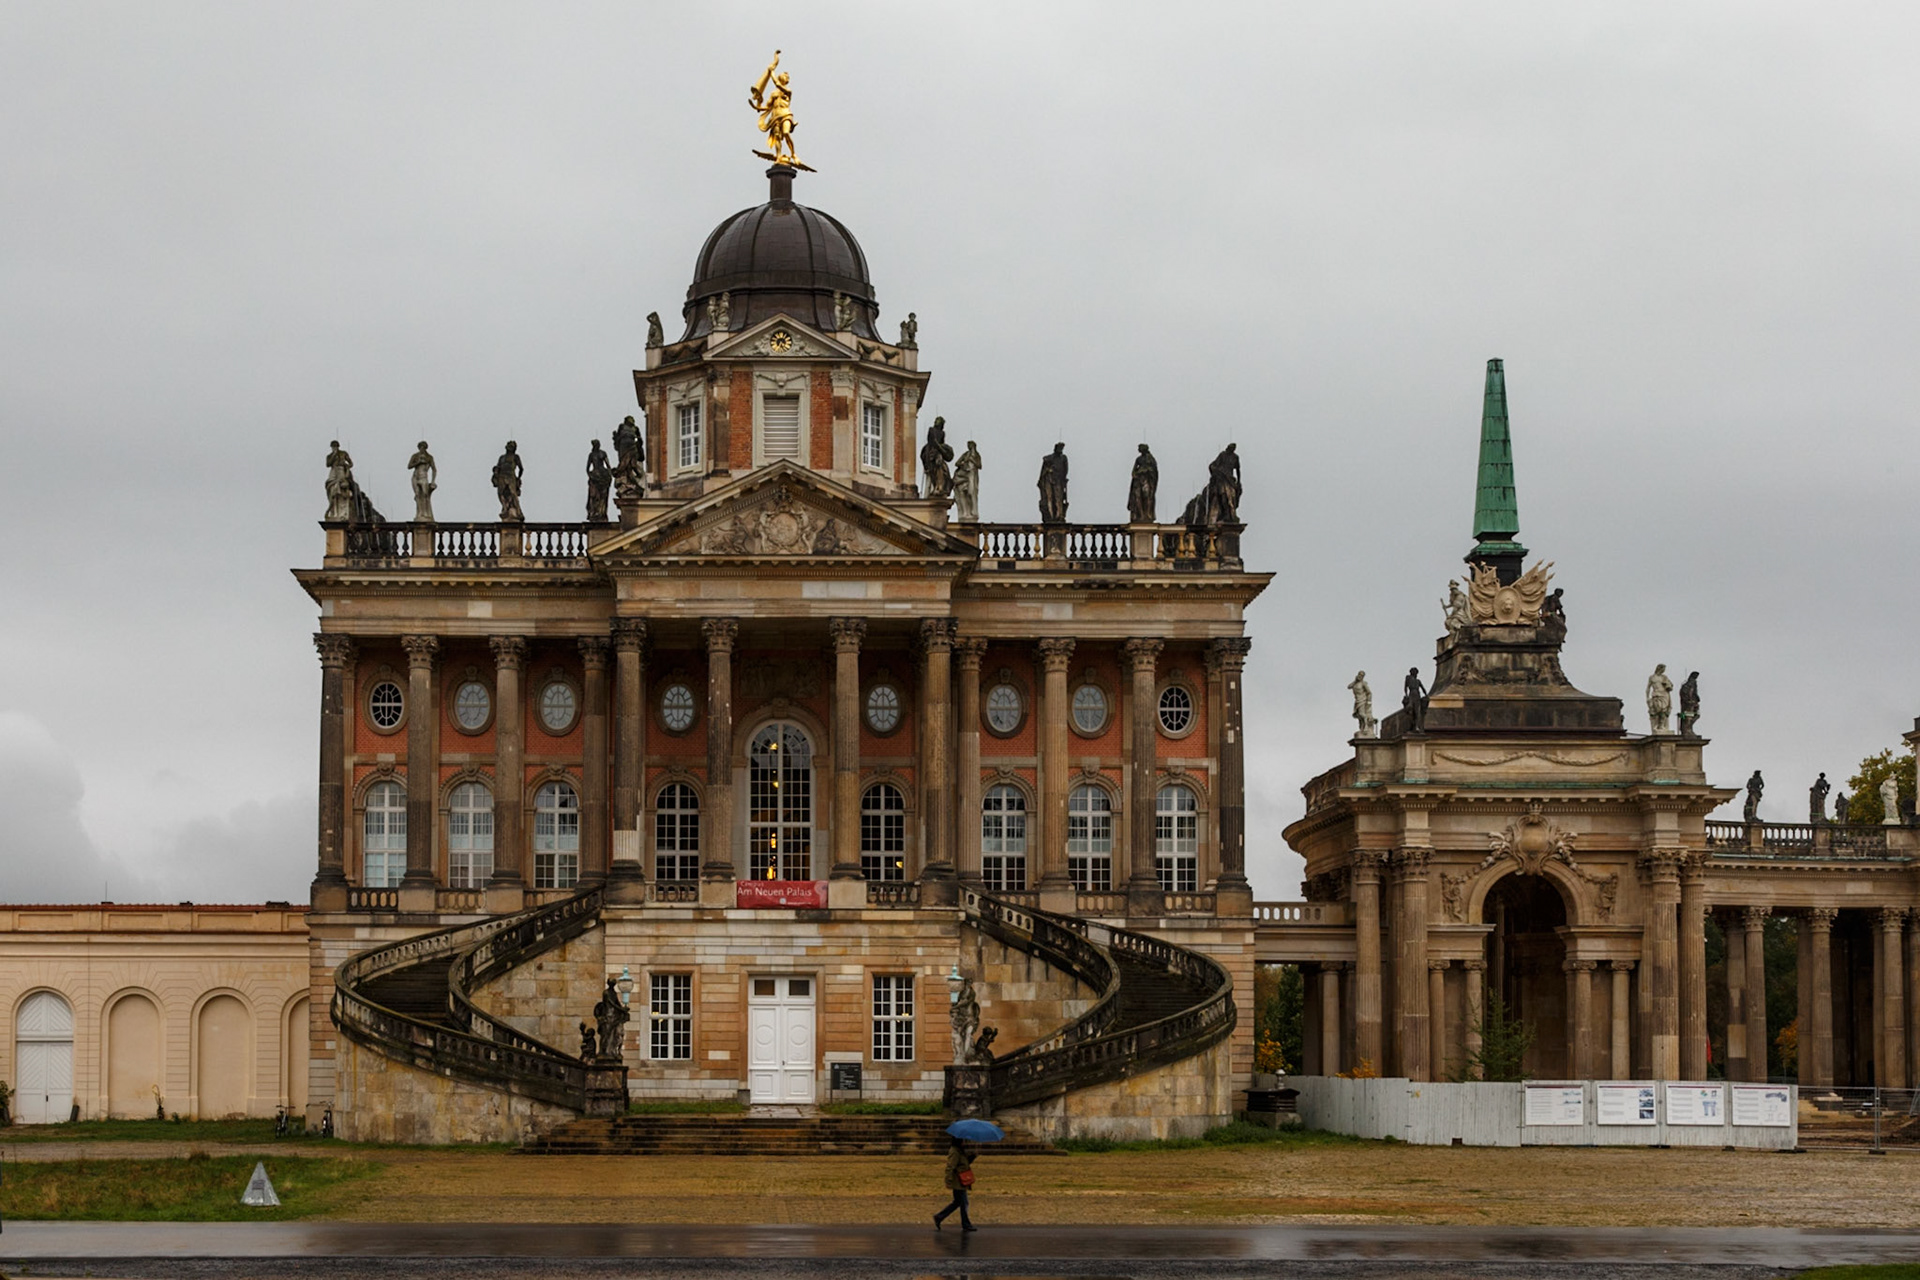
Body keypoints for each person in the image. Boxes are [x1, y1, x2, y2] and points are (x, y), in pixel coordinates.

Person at [933, 1136, 976, 1231]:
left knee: (958, 1202)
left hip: (961, 1181)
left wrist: (971, 1158)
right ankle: (965, 1224)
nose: (964, 1142)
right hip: (958, 1181)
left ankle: (939, 1217)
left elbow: (963, 1164)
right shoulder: (955, 1151)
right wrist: (948, 1180)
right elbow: (950, 1166)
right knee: (963, 1202)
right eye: (962, 1141)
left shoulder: (960, 1151)